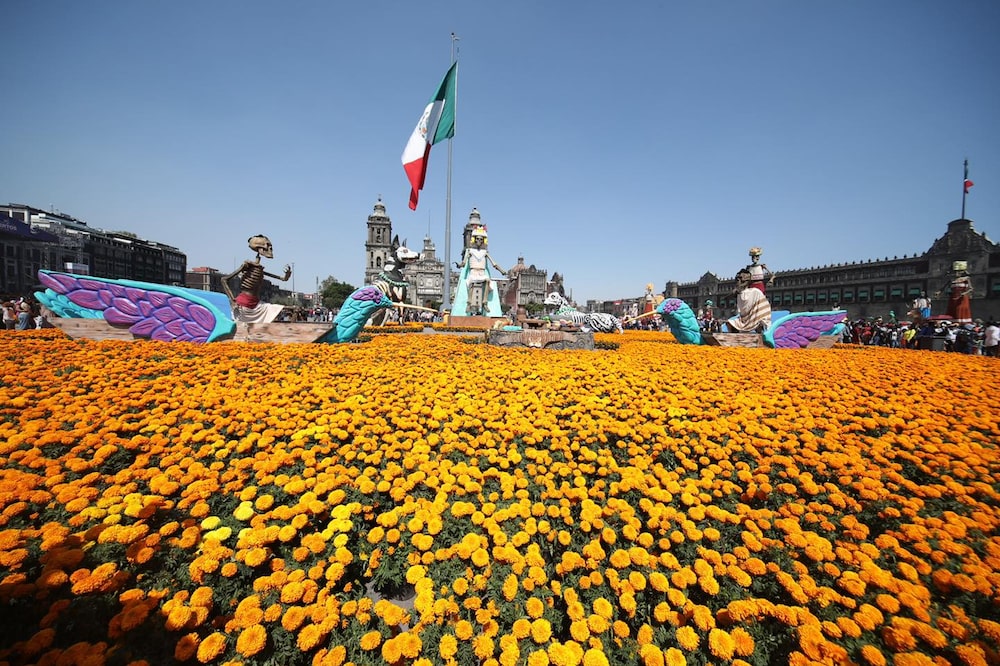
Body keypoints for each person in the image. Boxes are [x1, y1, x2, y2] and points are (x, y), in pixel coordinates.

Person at [222, 234, 292, 324]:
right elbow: (224, 280)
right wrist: (233, 301)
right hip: (243, 304)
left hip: (256, 304)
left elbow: (283, 279)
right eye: (267, 246)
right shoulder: (247, 266)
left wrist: (287, 275)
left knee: (276, 309)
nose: (270, 249)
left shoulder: (260, 270)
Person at [452, 224, 506, 317]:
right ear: (474, 239)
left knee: (487, 280)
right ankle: (469, 303)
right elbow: (464, 263)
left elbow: (494, 263)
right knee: (472, 282)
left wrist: (502, 271)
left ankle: (485, 303)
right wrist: (459, 265)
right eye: (477, 239)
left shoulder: (485, 252)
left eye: (481, 239)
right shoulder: (470, 251)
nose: (479, 241)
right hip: (473, 272)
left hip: (482, 272)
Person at [727, 268, 772, 333]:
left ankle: (760, 334)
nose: (738, 282)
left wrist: (762, 319)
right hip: (744, 320)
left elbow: (765, 308)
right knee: (729, 323)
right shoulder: (739, 294)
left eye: (740, 280)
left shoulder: (755, 292)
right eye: (737, 280)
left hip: (755, 320)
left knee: (760, 324)